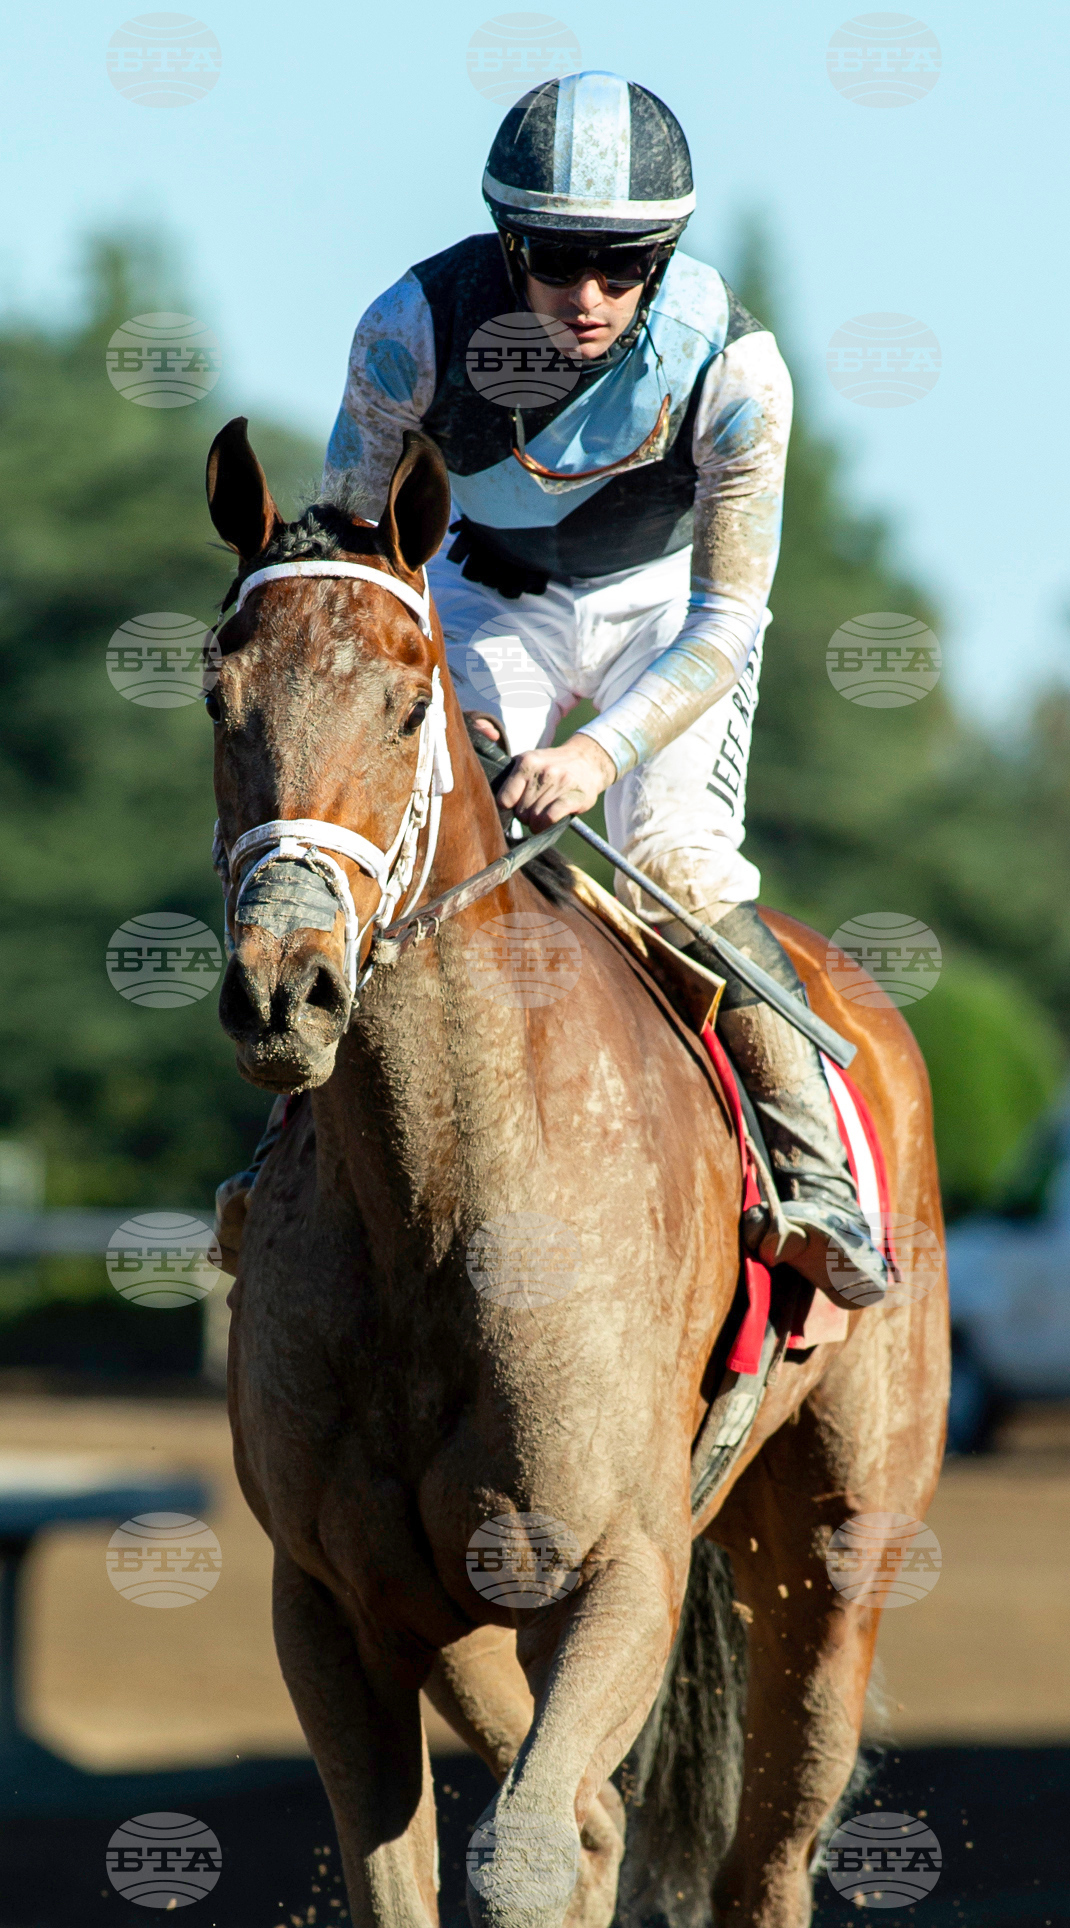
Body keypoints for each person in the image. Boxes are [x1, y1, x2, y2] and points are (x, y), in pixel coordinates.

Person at [219, 72, 887, 1306]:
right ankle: (282, 1163)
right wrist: (420, 711)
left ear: (666, 252)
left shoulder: (739, 374)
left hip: (664, 618)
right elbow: (357, 569)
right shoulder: (406, 332)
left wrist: (600, 756)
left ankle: (817, 1162)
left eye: (623, 265)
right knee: (397, 860)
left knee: (681, 867)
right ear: (505, 239)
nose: (587, 298)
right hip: (479, 593)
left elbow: (729, 619)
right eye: (555, 259)